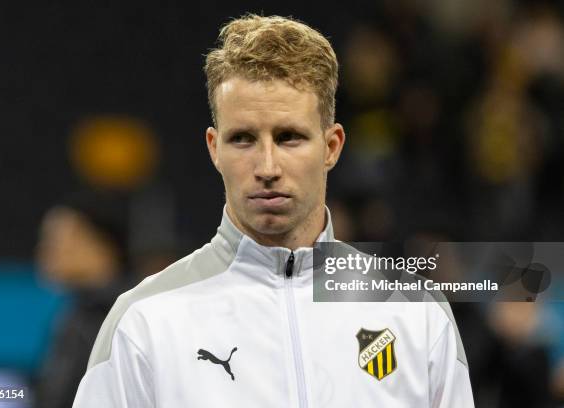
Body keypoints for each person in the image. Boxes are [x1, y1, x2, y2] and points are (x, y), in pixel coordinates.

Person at [73, 14, 474, 407]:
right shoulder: (144, 321)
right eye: (243, 139)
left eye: (289, 138)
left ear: (331, 146)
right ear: (214, 148)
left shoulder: (415, 314)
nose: (267, 168)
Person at [35, 191, 133, 408]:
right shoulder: (80, 312)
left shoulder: (120, 315)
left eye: (57, 241)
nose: (46, 250)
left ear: (101, 246)